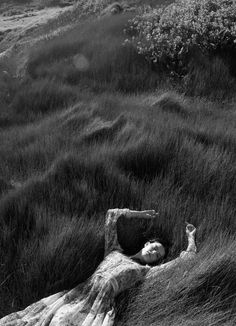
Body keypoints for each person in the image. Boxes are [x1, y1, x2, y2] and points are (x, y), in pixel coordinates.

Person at [0, 208, 197, 326]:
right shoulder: (114, 250)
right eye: (154, 247)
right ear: (147, 244)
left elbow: (184, 260)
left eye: (157, 255)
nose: (153, 253)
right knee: (48, 320)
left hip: (99, 306)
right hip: (79, 294)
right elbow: (111, 215)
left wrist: (190, 238)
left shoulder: (145, 272)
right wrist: (138, 214)